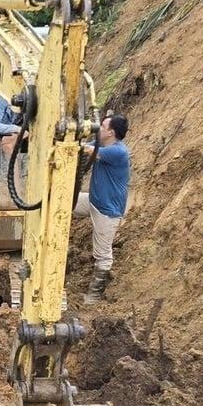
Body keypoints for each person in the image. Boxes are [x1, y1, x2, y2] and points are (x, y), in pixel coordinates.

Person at [76, 114, 131, 303]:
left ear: (111, 132)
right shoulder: (104, 144)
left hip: (107, 211)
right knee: (64, 202)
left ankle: (94, 296)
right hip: (93, 201)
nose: (98, 128)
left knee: (103, 254)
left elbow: (85, 149)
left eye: (103, 126)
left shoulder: (117, 151)